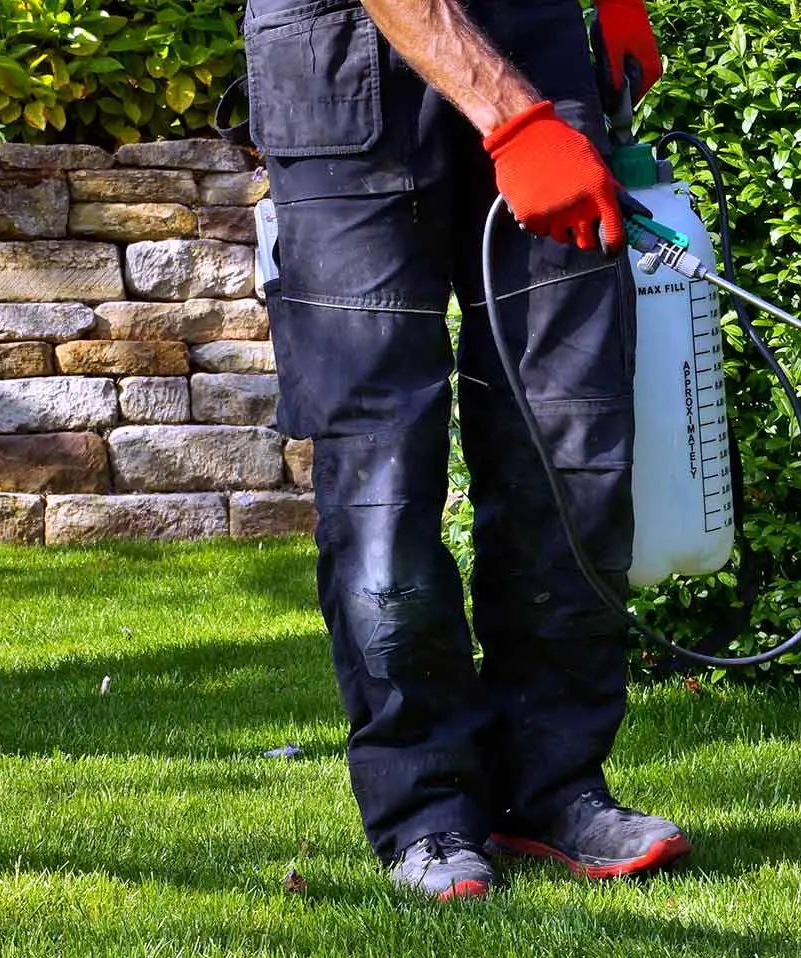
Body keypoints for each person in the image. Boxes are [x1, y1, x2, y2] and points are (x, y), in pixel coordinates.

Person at [242, 0, 689, 899]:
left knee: (572, 446)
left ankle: (556, 788)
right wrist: (515, 118)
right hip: (342, 70)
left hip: (543, 47)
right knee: (381, 472)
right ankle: (428, 809)